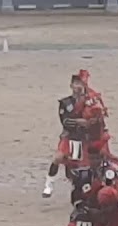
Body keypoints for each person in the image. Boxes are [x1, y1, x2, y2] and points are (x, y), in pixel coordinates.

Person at [43, 69, 107, 198]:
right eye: (76, 84)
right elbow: (66, 122)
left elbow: (98, 120)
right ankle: (49, 184)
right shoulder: (66, 103)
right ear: (71, 85)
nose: (78, 87)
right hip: (70, 136)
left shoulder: (92, 101)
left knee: (89, 163)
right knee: (58, 158)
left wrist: (94, 120)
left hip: (85, 138)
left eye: (81, 84)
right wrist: (81, 122)